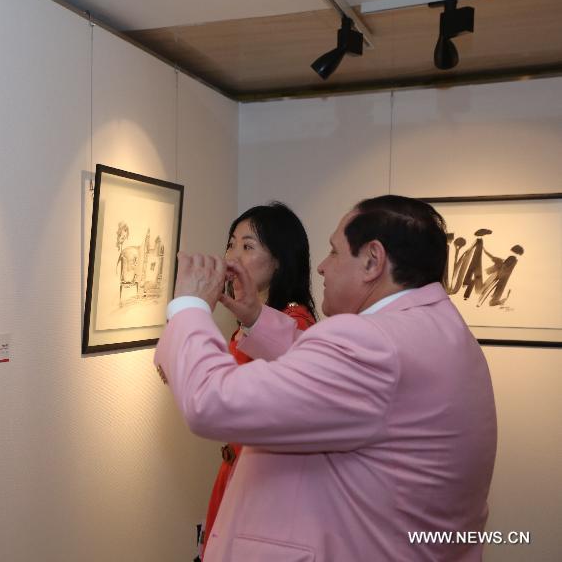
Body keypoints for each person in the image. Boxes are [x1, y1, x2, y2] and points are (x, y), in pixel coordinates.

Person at [156, 195, 497, 562]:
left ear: (372, 261)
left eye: (334, 253)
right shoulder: (440, 329)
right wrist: (257, 316)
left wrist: (189, 307)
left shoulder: (371, 345)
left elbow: (212, 402)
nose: (321, 267)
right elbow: (327, 379)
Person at [201, 203, 317, 557]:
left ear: (279, 260)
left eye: (247, 247)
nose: (232, 257)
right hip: (239, 470)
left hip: (266, 481)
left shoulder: (292, 321)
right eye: (231, 244)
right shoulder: (256, 316)